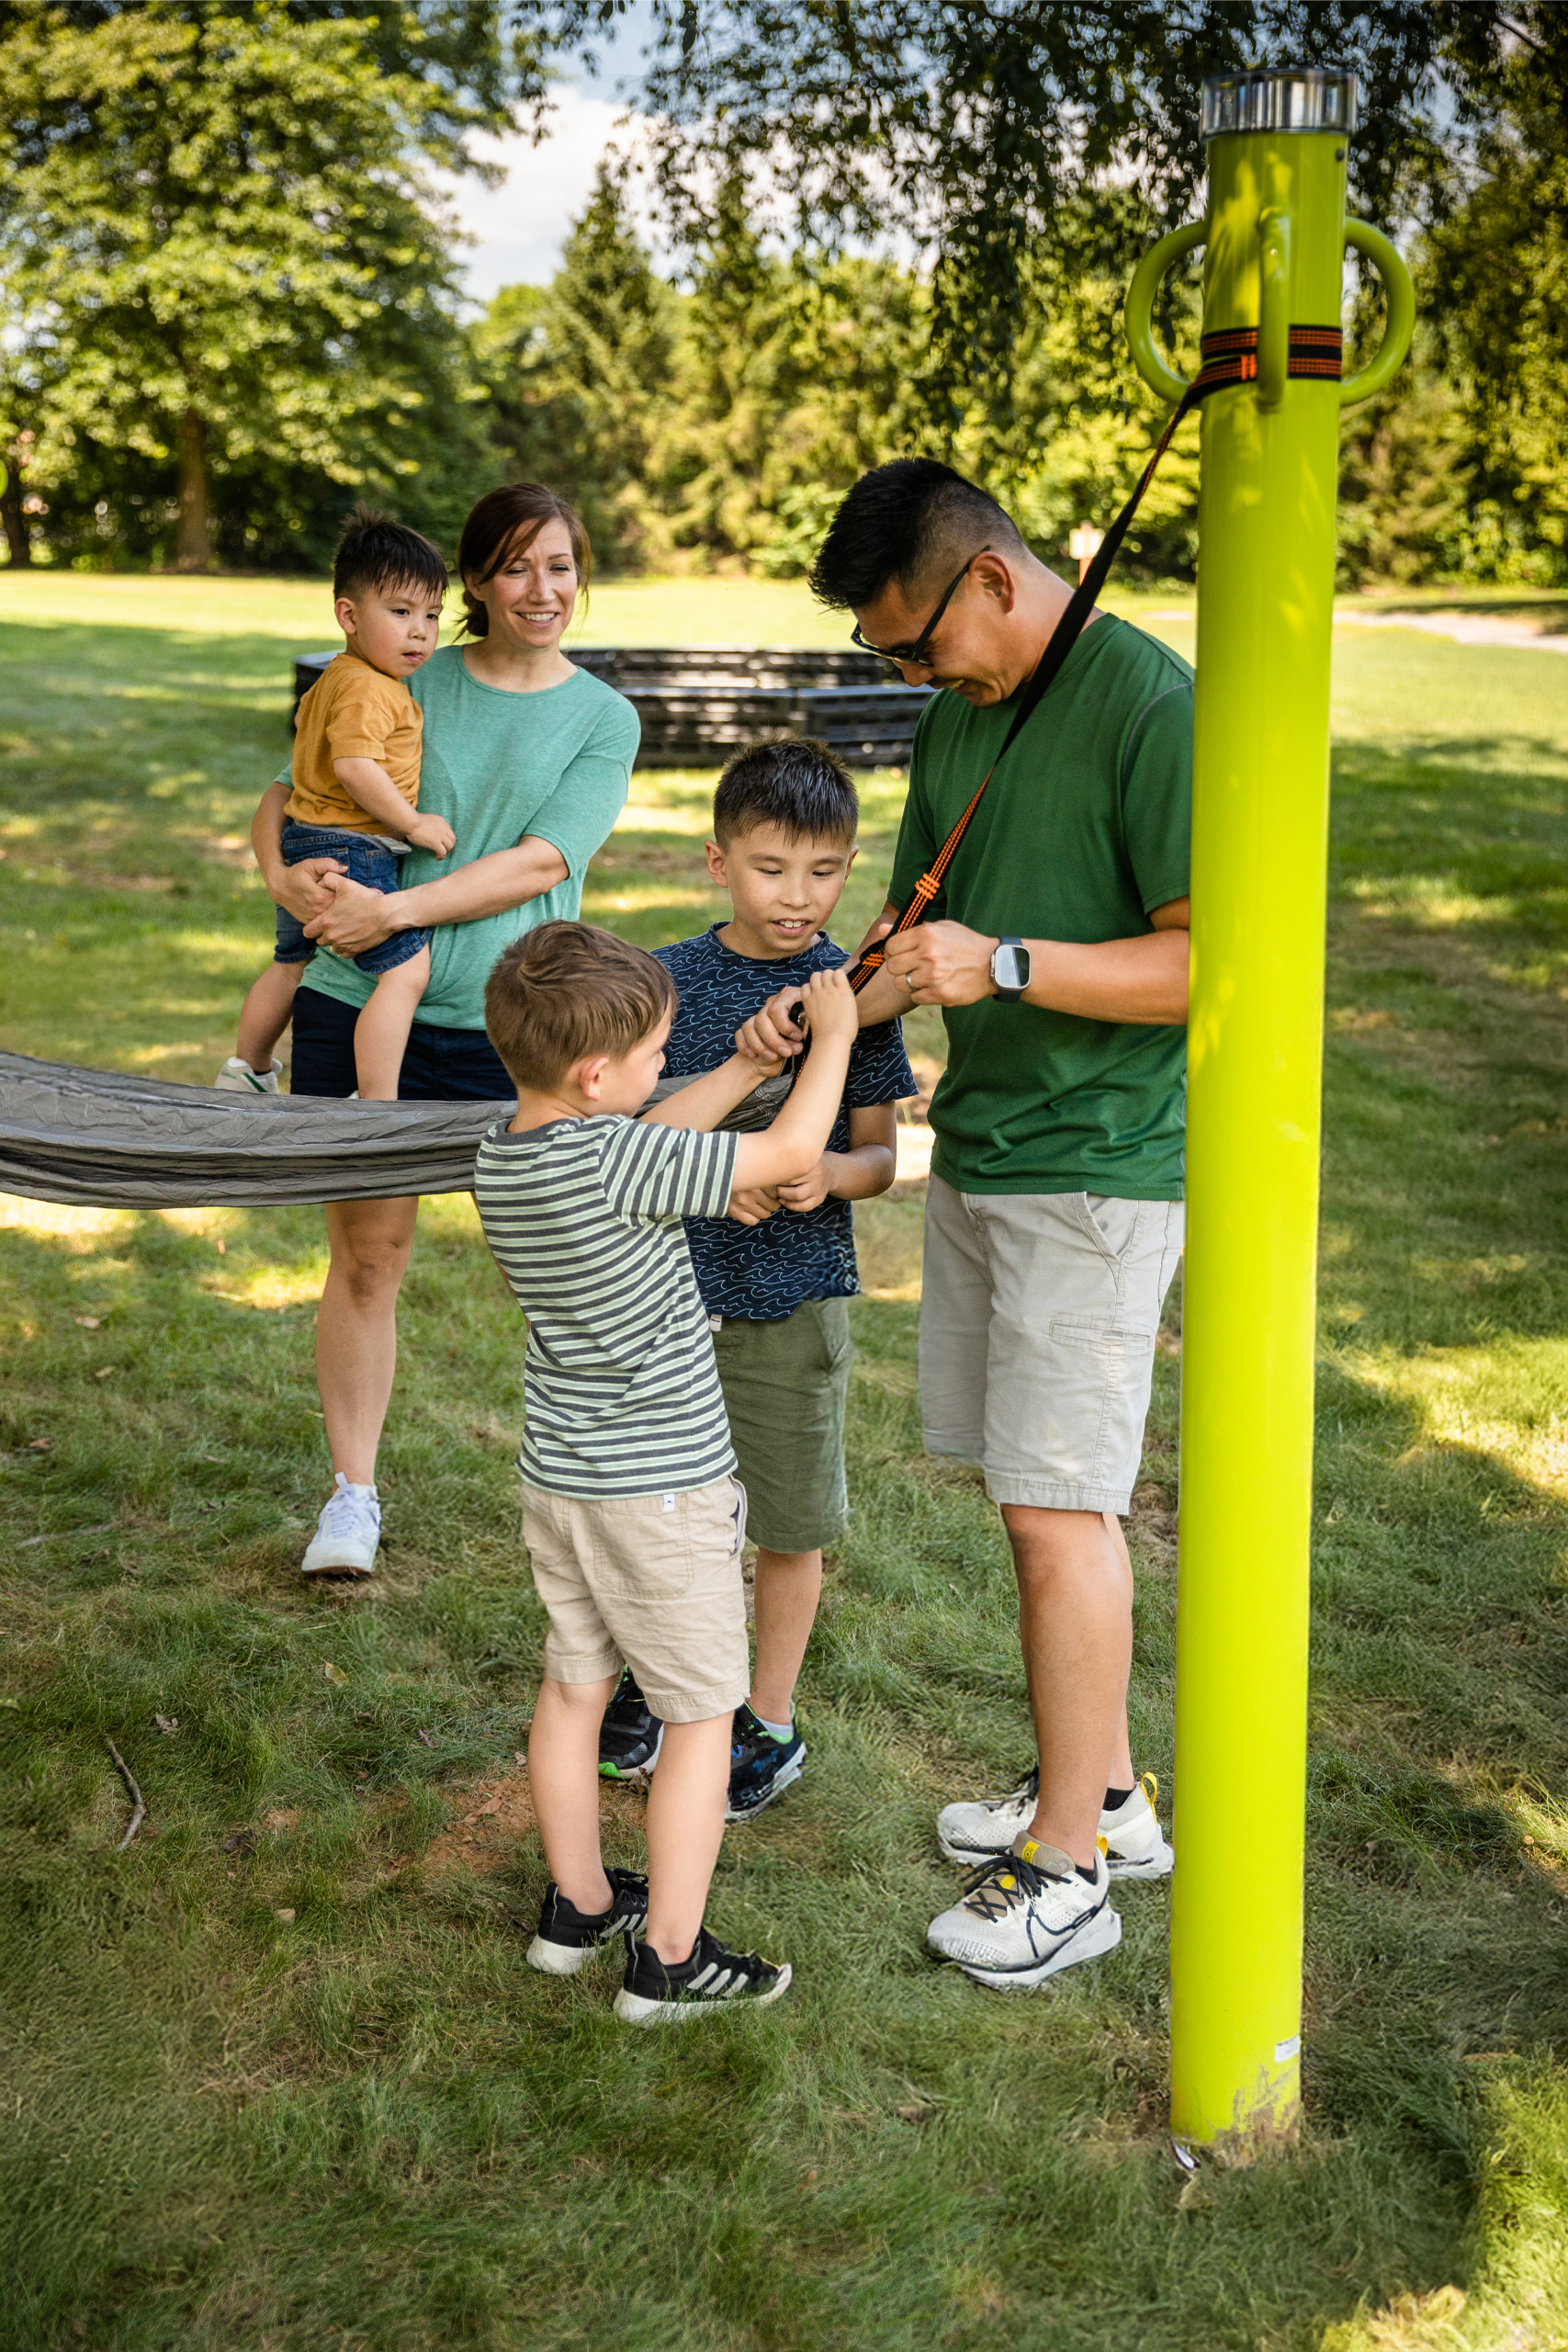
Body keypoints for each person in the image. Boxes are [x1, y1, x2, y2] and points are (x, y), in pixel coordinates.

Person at [735, 457, 1191, 1990]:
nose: (912, 673)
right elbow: (902, 934)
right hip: (987, 1151)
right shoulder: (963, 717)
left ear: (990, 579)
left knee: (1066, 1513)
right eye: (887, 656)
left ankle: (1066, 1868)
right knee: (1027, 1499)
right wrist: (804, 1035)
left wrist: (1001, 969)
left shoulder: (1151, 707)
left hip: (1100, 1165)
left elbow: (1209, 968)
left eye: (914, 643)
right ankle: (1105, 1795)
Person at [248, 482, 638, 1578]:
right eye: (515, 566)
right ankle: (353, 1499)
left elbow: (543, 859)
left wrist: (399, 909)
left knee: (569, 1266)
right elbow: (290, 794)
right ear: (470, 581)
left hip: (515, 1026)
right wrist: (287, 877)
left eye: (560, 565)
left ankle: (608, 1499)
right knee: (369, 1260)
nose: (542, 589)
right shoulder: (397, 668)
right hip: (356, 1001)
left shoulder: (604, 719)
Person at [475, 921, 862, 2020]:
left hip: (566, 1482)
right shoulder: (619, 1156)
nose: (660, 1073)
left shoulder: (508, 1151)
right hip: (663, 1493)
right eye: (651, 1056)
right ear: (597, 1075)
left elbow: (648, 1134)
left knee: (574, 1686)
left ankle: (581, 1908)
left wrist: (741, 1066)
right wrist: (829, 1040)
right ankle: (672, 1961)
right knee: (700, 1715)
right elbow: (787, 1155)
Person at [595, 740, 915, 1819]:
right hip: (669, 1296)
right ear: (717, 859)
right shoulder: (666, 981)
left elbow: (883, 1153)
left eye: (824, 872)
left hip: (794, 1293)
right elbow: (624, 1132)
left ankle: (763, 1719)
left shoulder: (855, 995)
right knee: (668, 1505)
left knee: (784, 1520)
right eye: (772, 868)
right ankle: (661, 1679)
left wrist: (832, 1172)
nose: (799, 896)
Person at [216, 509, 456, 1103]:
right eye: (400, 612)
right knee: (406, 973)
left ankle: (246, 1068)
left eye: (431, 616)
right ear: (348, 615)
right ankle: (375, 1100)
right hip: (353, 847)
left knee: (289, 962)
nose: (420, 632)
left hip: (304, 839)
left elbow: (304, 738)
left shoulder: (331, 679)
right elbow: (353, 766)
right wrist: (412, 822)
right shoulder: (372, 687)